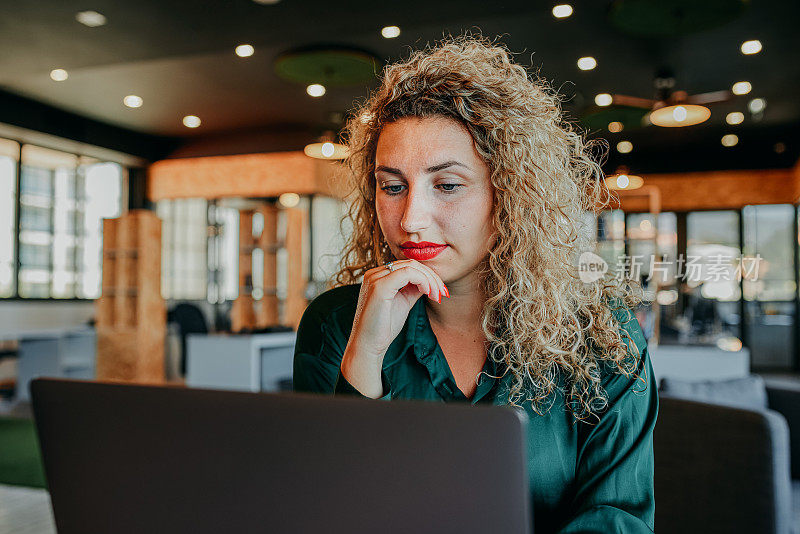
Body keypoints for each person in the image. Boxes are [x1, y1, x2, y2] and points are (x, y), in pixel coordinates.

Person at [293, 35, 658, 534]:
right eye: (392, 186)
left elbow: (618, 517)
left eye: (447, 185)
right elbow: (325, 509)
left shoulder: (602, 334)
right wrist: (364, 358)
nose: (411, 220)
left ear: (508, 193)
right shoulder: (336, 323)